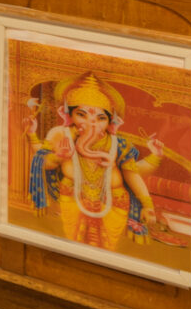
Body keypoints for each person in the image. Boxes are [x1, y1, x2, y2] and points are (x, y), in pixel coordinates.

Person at [24, 73, 172, 255]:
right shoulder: (61, 134)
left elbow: (134, 174)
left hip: (114, 203)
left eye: (100, 118)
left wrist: (147, 203)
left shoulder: (118, 144)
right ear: (69, 115)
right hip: (72, 198)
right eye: (82, 114)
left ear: (110, 121)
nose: (90, 123)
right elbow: (43, 161)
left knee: (107, 251)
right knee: (73, 245)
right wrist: (57, 156)